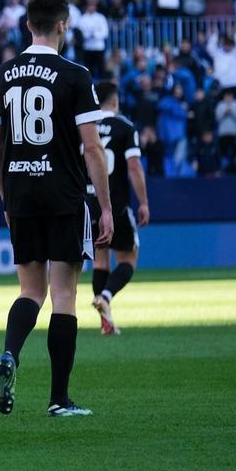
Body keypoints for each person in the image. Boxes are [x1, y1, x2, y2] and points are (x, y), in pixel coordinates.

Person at [0, 0, 113, 418]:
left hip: (20, 195)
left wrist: (7, 198)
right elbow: (92, 149)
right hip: (64, 195)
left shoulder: (3, 74)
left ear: (27, 26)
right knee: (64, 295)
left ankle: (9, 353)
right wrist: (105, 208)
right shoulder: (75, 74)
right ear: (63, 25)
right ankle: (59, 399)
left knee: (30, 291)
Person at [85, 82, 150, 336]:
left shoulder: (84, 126)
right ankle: (106, 296)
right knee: (128, 257)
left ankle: (105, 322)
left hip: (88, 203)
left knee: (101, 259)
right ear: (115, 101)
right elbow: (134, 166)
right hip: (115, 204)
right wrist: (143, 201)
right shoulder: (125, 127)